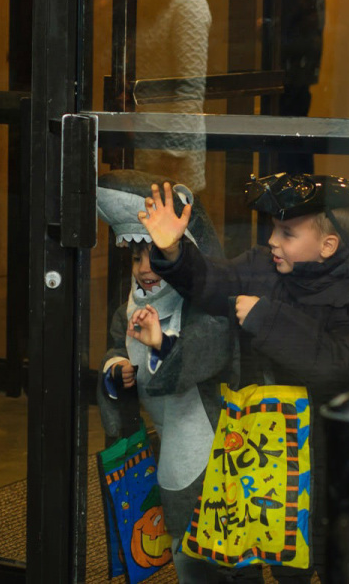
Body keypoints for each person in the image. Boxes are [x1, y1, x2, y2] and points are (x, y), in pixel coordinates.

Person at [138, 174, 349, 581]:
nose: (273, 240)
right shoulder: (263, 267)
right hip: (280, 462)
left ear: (328, 246)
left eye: (287, 233)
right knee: (286, 560)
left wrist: (267, 318)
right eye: (273, 229)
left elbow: (339, 368)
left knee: (343, 560)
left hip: (337, 466)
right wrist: (173, 251)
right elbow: (212, 282)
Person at [95, 170, 254, 583]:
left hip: (202, 433)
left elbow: (205, 353)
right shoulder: (132, 303)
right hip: (161, 431)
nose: (145, 268)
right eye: (135, 255)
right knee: (174, 526)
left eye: (155, 255)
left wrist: (161, 344)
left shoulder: (202, 301)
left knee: (205, 522)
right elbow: (116, 344)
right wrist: (118, 370)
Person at [131, 0, 211, 192]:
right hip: (144, 149)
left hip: (172, 164)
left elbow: (191, 89)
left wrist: (171, 157)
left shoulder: (188, 3)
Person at [276, 0, 325, 176]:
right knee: (298, 140)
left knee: (284, 147)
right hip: (302, 73)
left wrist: (265, 29)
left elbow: (284, 29)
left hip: (286, 73)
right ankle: (306, 195)